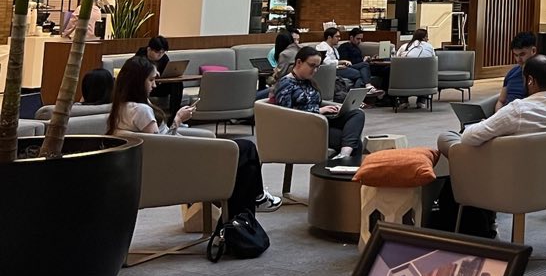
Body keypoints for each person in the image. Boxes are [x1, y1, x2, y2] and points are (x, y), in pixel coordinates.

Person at [108, 56, 280, 213]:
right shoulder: (142, 110)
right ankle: (256, 199)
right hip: (180, 164)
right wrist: (177, 119)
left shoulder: (122, 107)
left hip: (163, 162)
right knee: (246, 149)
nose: (154, 85)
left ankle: (252, 201)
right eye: (151, 80)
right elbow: (162, 148)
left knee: (243, 158)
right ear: (138, 82)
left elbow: (159, 144)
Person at [434, 54, 546, 238]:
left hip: (509, 184)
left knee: (448, 139)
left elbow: (469, 137)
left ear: (530, 80)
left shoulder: (518, 110)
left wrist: (488, 125)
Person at [269, 46, 365, 159]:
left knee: (357, 113)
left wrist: (332, 109)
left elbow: (317, 102)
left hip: (320, 120)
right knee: (354, 143)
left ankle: (344, 155)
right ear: (299, 62)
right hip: (304, 127)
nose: (314, 70)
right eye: (312, 66)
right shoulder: (286, 84)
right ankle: (344, 158)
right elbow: (286, 114)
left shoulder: (308, 81)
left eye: (317, 67)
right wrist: (317, 110)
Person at [131, 35, 183, 118]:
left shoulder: (164, 58)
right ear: (149, 49)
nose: (160, 55)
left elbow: (168, 71)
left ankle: (174, 115)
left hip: (159, 86)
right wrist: (152, 72)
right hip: (145, 87)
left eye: (163, 52)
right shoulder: (140, 57)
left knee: (177, 83)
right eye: (158, 52)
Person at [395, 28, 436, 107]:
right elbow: (433, 61)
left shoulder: (405, 46)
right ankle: (421, 100)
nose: (428, 39)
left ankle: (403, 100)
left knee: (399, 73)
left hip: (405, 80)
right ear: (423, 38)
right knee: (427, 73)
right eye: (427, 37)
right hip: (425, 81)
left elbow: (396, 59)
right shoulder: (430, 47)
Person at [497, 32, 537, 109]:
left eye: (522, 54)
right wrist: (498, 114)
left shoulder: (541, 73)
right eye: (516, 55)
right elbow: (501, 101)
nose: (519, 60)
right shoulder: (512, 73)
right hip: (505, 113)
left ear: (533, 51)